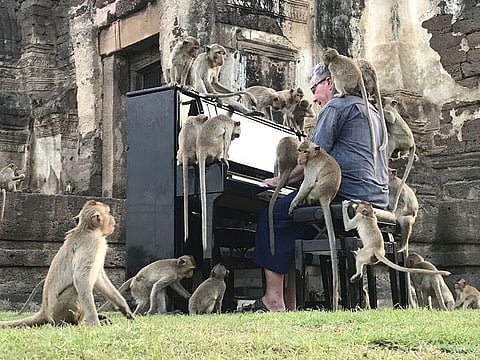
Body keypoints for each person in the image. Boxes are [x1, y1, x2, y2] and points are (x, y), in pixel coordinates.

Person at [244, 62, 389, 312]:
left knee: (273, 214)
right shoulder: (373, 112)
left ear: (329, 83)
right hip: (376, 198)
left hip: (345, 194)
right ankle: (291, 301)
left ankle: (272, 300)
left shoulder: (337, 106)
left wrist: (280, 180)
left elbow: (311, 158)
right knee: (294, 221)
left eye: (315, 87)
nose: (313, 97)